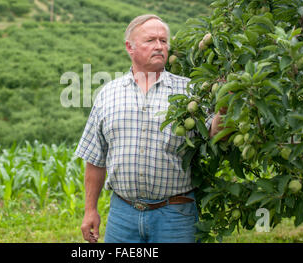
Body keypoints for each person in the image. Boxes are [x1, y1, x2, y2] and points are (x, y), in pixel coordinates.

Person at [75, 14, 225, 243]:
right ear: (130, 47)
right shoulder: (109, 94)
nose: (159, 46)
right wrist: (90, 210)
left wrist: (225, 106)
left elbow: (214, 133)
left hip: (175, 213)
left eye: (163, 41)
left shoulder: (190, 91)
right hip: (122, 213)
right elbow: (95, 158)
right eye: (150, 40)